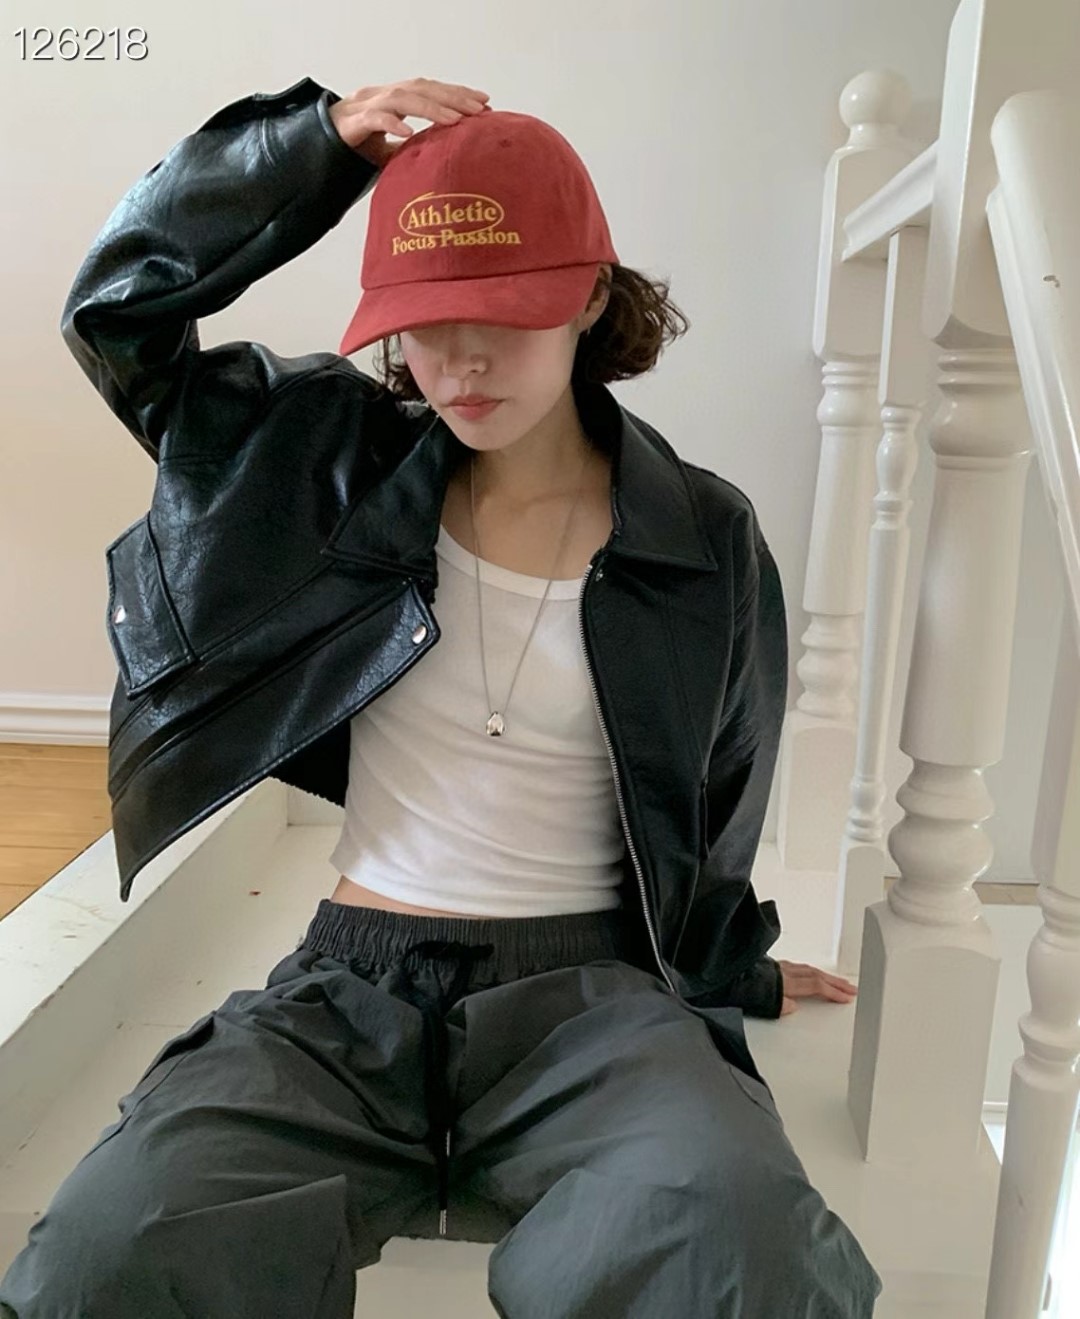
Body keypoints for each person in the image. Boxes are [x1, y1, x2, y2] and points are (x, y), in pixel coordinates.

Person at [0, 76, 882, 1317]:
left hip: (594, 1004)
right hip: (343, 996)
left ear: (589, 295)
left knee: (749, 1250)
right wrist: (305, 151)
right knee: (106, 1248)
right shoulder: (317, 469)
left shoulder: (702, 534)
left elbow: (721, 786)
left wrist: (737, 967)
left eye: (502, 314)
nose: (458, 360)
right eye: (422, 319)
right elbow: (118, 315)